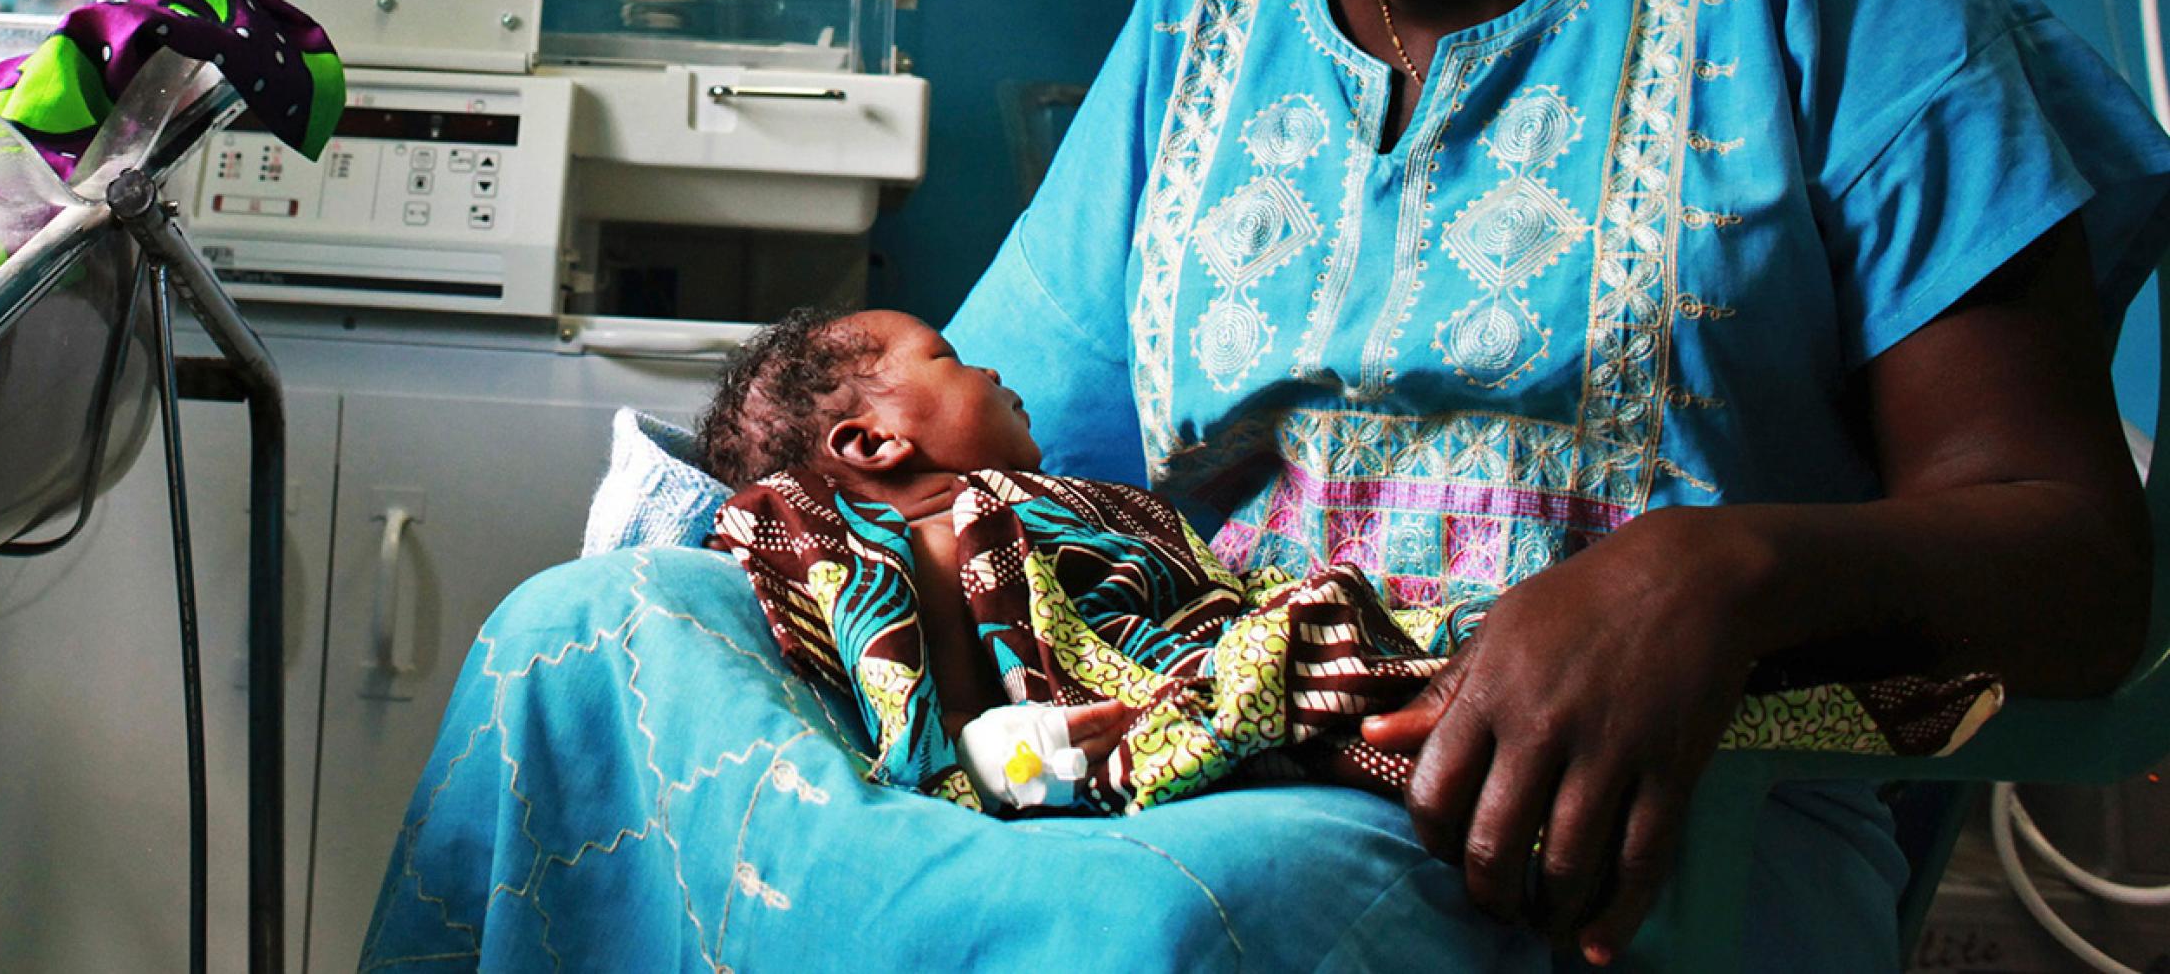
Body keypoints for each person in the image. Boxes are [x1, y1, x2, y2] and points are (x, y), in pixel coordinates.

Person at [939, 0, 2170, 968]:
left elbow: (2078, 573)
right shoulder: (1200, 26)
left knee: (1148, 933)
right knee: (588, 648)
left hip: (1642, 864)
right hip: (1209, 784)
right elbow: (979, 463)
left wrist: (1714, 574)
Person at [696, 307, 2001, 824]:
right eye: (951, 355)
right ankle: (1856, 675)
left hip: (1262, 643)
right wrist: (1171, 724)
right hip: (1212, 692)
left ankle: (1838, 654)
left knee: (1527, 649)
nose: (992, 365)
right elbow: (971, 752)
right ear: (872, 438)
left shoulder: (1043, 502)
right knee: (1477, 692)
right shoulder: (942, 531)